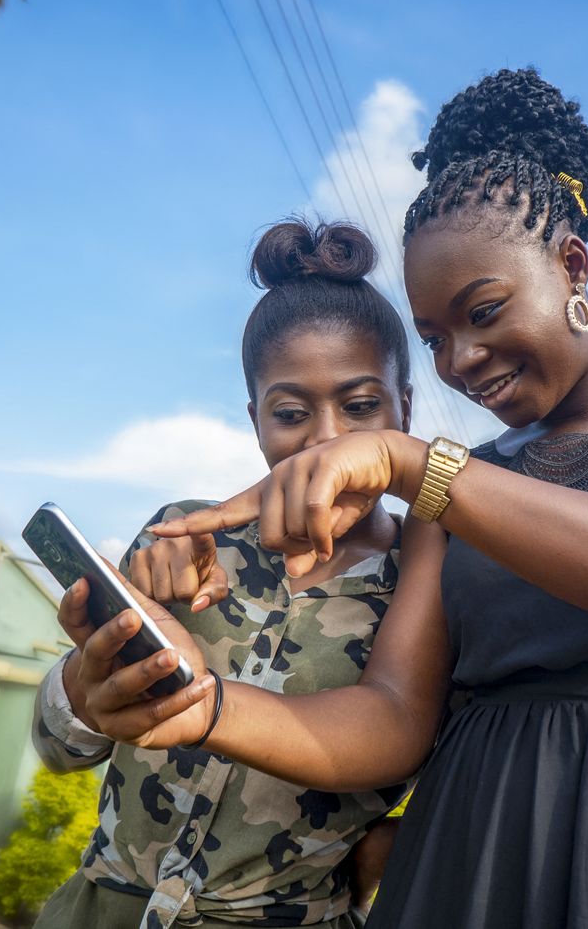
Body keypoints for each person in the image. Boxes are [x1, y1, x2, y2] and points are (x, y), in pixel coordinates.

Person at [83, 69, 588, 928]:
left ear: (573, 265)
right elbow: (395, 712)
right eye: (435, 337)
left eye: (483, 311)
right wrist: (206, 702)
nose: (461, 361)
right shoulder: (460, 491)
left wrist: (415, 467)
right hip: (475, 851)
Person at [31, 218, 414, 929]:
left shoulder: (427, 589)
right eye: (292, 412)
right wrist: (92, 677)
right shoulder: (183, 537)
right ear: (255, 419)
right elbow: (57, 750)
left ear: (406, 408)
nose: (327, 441)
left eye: (361, 405)